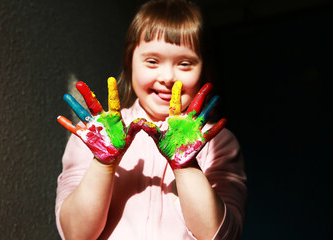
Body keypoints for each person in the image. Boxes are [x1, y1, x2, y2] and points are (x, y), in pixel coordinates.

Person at [55, 0, 246, 239]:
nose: (167, 77)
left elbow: (222, 236)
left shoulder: (218, 143)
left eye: (185, 64)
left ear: (203, 70)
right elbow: (76, 234)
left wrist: (186, 166)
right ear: (129, 61)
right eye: (152, 61)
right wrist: (103, 162)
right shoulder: (95, 134)